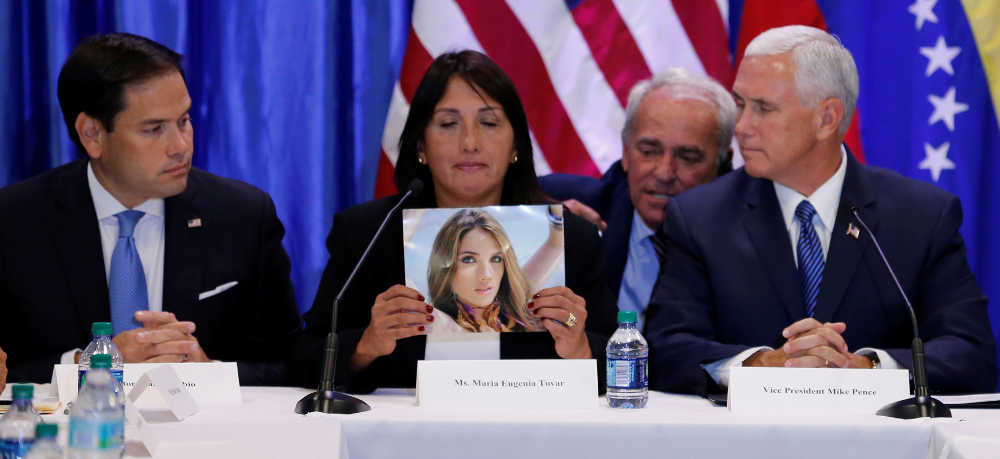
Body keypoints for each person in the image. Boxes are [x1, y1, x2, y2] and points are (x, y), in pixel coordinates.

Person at [645, 25, 996, 395]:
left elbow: (971, 355)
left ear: (826, 119)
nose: (742, 127)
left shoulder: (922, 216)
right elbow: (666, 348)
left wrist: (866, 368)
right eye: (741, 105)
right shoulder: (699, 217)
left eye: (764, 109)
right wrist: (762, 364)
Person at [295, 50, 617, 393]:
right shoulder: (368, 234)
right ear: (421, 144)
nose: (470, 143)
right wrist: (366, 345)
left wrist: (577, 342)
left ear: (515, 146)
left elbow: (624, 357)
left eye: (489, 123)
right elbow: (302, 359)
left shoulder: (573, 237)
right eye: (448, 124)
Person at [0, 33, 300, 384]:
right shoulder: (15, 221)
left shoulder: (242, 215)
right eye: (154, 129)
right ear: (92, 134)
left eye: (184, 121)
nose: (180, 146)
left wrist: (209, 373)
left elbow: (292, 363)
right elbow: (11, 369)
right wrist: (89, 365)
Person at [541, 68, 736, 330]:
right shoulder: (558, 206)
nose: (665, 172)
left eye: (688, 157)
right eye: (649, 151)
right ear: (625, 151)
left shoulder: (750, 239)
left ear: (723, 162)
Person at [426, 207, 564, 333]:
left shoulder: (519, 305)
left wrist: (570, 317)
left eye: (496, 259)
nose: (486, 275)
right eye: (468, 260)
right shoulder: (439, 323)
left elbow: (557, 244)